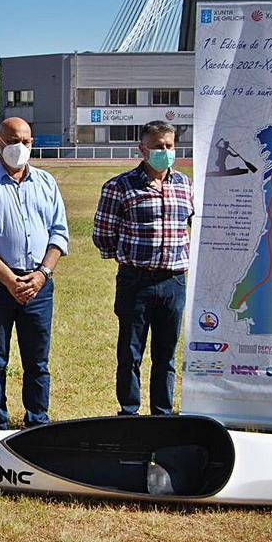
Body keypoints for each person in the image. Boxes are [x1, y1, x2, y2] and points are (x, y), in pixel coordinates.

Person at [0, 117, 69, 430]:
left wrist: (42, 274)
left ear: (31, 143)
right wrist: (9, 280)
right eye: (11, 140)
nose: (17, 147)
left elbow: (59, 234)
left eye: (23, 141)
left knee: (37, 361)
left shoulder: (47, 183)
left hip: (38, 286)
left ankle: (37, 421)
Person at [94, 121, 192, 416]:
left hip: (174, 282)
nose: (164, 151)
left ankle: (162, 413)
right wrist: (128, 260)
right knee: (130, 353)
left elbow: (192, 225)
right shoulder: (119, 186)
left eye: (169, 146)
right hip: (136, 281)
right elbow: (103, 234)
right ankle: (129, 412)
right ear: (142, 149)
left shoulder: (185, 186)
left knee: (166, 355)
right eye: (158, 146)